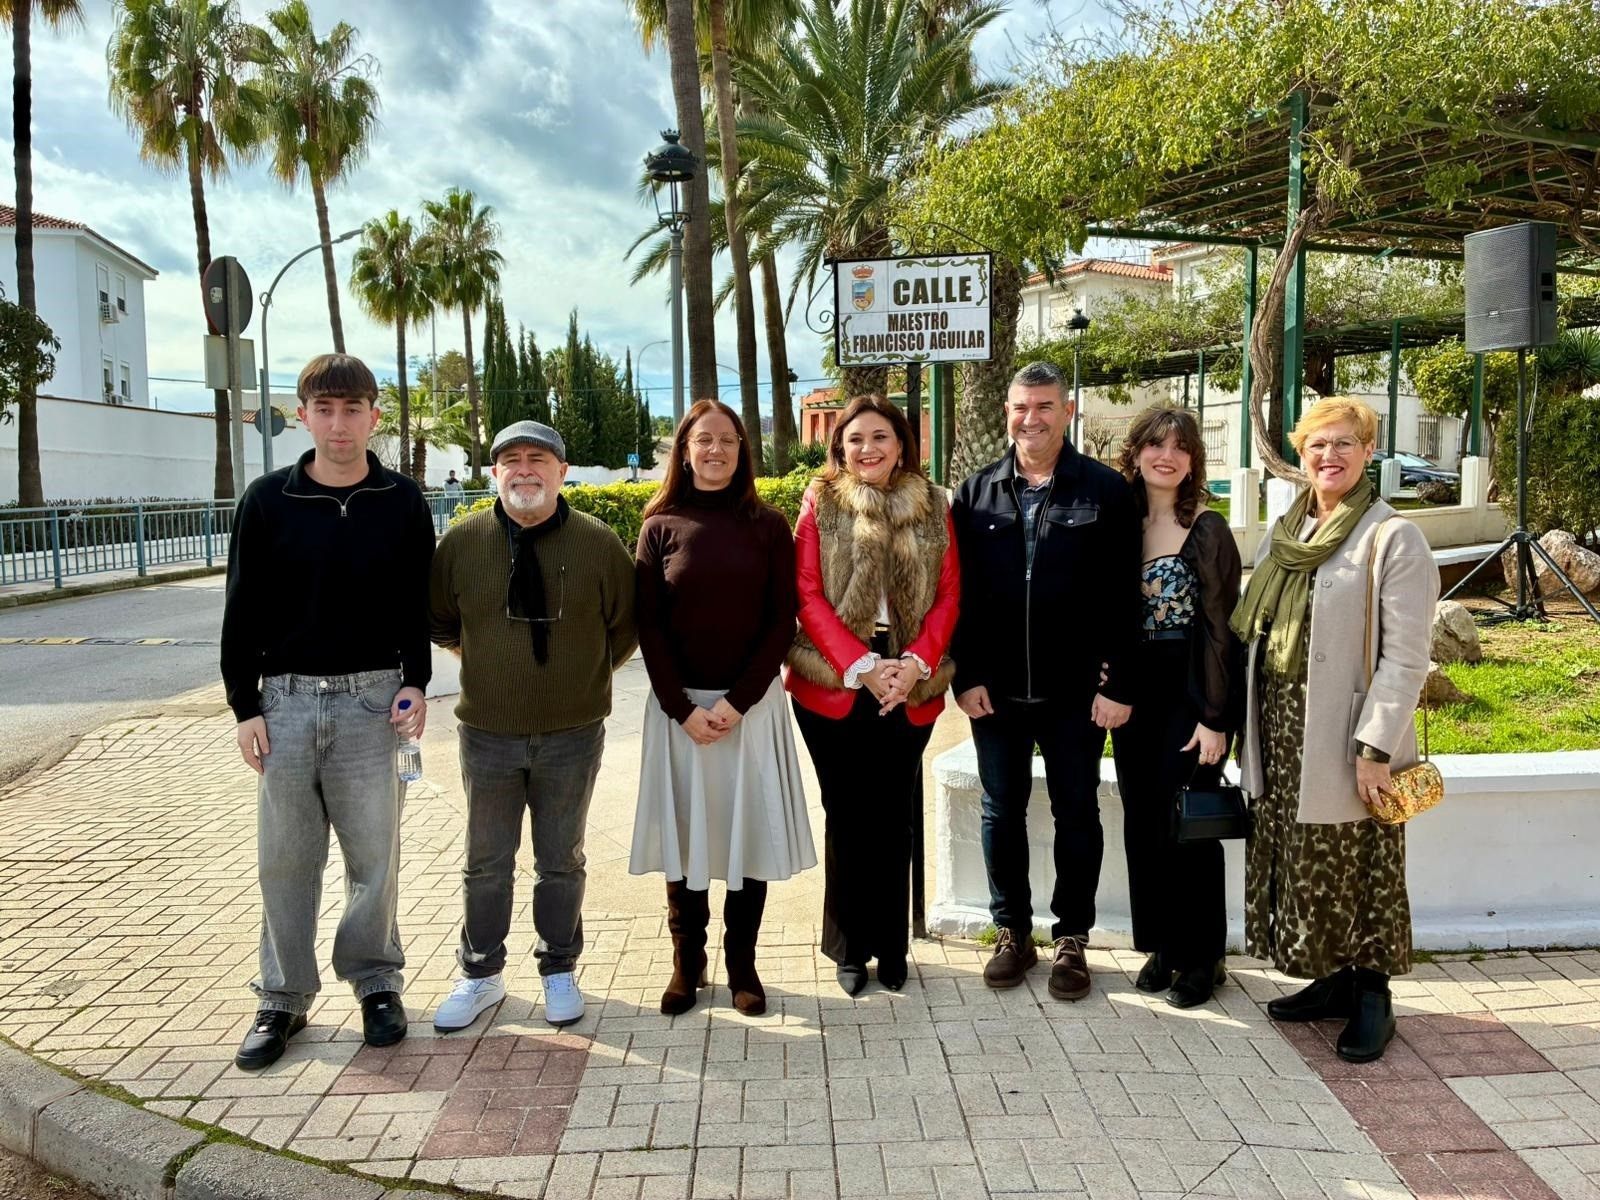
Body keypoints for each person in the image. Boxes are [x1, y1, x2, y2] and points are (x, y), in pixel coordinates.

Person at [221, 353, 434, 1070]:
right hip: (282, 703)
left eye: (353, 409)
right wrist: (244, 705)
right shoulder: (265, 500)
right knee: (285, 861)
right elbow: (240, 609)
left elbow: (415, 603)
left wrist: (417, 683)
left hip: (374, 701)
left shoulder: (402, 500)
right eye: (325, 408)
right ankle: (282, 999)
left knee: (374, 856)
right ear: (303, 415)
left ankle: (375, 982)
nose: (339, 424)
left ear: (375, 416)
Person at [1232, 396, 1438, 1063]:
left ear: (1369, 451)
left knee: (1361, 861)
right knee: (1304, 858)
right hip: (1282, 723)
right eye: (1317, 444)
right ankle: (1334, 979)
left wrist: (1374, 747)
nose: (1330, 456)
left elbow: (1407, 657)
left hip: (1347, 733)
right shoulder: (1285, 530)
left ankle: (1373, 994)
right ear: (1300, 453)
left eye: (1345, 443)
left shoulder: (1390, 536)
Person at [428, 420, 636, 1031]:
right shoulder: (460, 545)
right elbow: (440, 621)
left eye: (538, 459)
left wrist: (580, 678)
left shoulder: (598, 544)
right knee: (486, 860)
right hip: (487, 733)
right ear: (493, 472)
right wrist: (487, 662)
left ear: (561, 471)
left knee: (561, 859)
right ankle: (481, 973)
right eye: (511, 459)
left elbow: (623, 627)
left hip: (573, 733)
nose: (525, 470)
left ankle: (558, 969)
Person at [950, 360, 1140, 1000]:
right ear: (1008, 412)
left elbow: (1123, 599)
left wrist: (1117, 684)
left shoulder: (1107, 491)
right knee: (1000, 811)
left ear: (1068, 411)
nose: (1031, 418)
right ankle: (1012, 933)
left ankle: (1072, 940)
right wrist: (966, 675)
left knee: (1076, 812)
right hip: (995, 693)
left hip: (1075, 694)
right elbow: (962, 599)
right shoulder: (975, 493)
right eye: (1020, 407)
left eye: (1044, 406)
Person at [630, 400, 814, 1017]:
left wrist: (737, 704)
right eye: (703, 440)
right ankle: (689, 961)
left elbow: (779, 620)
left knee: (746, 837)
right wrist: (682, 708)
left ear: (742, 452)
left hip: (750, 710)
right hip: (678, 714)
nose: (715, 451)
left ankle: (742, 963)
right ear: (684, 450)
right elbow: (648, 628)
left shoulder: (767, 524)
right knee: (686, 842)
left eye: (728, 441)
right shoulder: (659, 525)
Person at [786, 394, 959, 996]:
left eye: (881, 437)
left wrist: (911, 664)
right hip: (834, 679)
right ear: (840, 447)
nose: (868, 449)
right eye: (856, 439)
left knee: (893, 815)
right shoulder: (821, 502)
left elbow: (949, 593)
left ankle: (892, 943)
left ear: (902, 444)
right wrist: (861, 666)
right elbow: (805, 592)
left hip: (910, 679)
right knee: (848, 814)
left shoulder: (936, 504)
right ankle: (849, 944)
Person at [1110, 406, 1243, 1009]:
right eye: (1156, 444)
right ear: (1136, 453)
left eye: (1180, 447)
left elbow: (1223, 630)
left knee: (1189, 828)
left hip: (1189, 695)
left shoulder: (1208, 529)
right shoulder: (1120, 523)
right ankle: (1162, 946)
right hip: (1133, 698)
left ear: (1193, 462)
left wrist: (1216, 717)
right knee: (1144, 823)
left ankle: (1202, 958)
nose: (1167, 455)